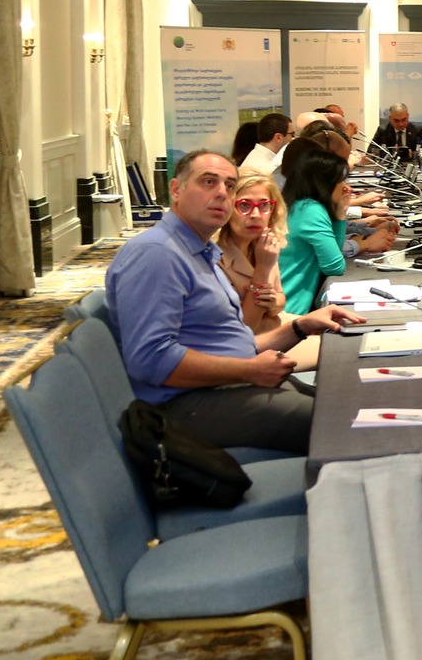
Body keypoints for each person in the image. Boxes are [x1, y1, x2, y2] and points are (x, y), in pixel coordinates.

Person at [107, 149, 362, 454]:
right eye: (208, 182)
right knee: (348, 422)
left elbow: (231, 342)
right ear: (176, 189)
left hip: (224, 387)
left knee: (350, 402)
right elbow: (151, 359)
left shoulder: (199, 251)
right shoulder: (157, 253)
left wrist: (300, 327)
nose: (221, 193)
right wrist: (248, 370)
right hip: (183, 405)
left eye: (229, 186)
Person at [278, 138, 353, 313]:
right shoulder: (311, 211)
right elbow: (334, 266)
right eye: (341, 181)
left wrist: (340, 213)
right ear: (324, 182)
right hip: (291, 310)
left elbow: (333, 254)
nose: (345, 187)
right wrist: (340, 216)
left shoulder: (297, 204)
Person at [218, 170, 288, 339]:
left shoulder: (262, 244)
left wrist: (272, 304)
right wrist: (263, 268)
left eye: (264, 205)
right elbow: (244, 330)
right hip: (249, 344)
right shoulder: (215, 259)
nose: (256, 215)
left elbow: (280, 297)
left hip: (274, 327)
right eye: (244, 205)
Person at [236, 112, 292, 176]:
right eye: (292, 134)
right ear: (278, 137)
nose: (293, 138)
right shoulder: (265, 169)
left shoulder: (257, 157)